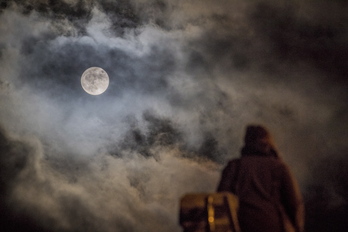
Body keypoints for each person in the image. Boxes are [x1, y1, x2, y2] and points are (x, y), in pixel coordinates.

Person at [217, 125, 304, 232]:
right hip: (273, 225)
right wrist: (298, 227)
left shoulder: (234, 166)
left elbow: (221, 199)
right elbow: (294, 203)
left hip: (241, 225)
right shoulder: (279, 167)